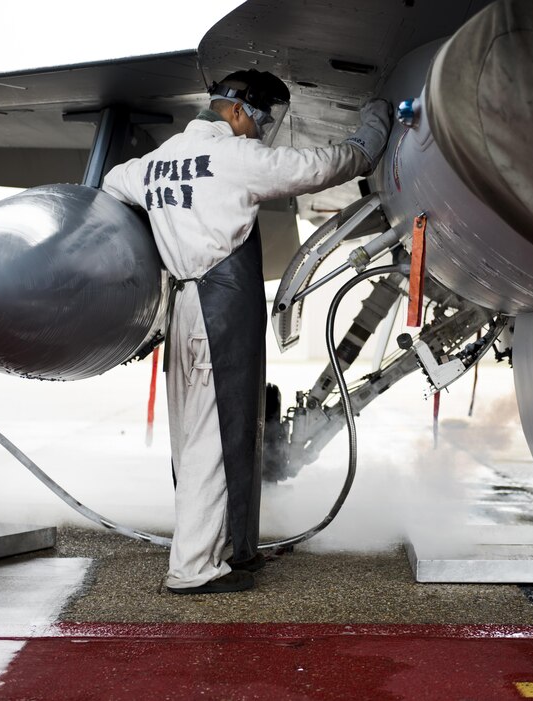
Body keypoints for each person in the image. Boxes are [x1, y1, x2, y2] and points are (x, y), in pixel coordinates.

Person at [101, 69, 392, 594]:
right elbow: (322, 165)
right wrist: (372, 133)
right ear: (235, 111)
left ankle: (226, 548)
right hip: (221, 307)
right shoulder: (235, 158)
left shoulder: (154, 164)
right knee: (213, 440)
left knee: (198, 436)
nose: (262, 129)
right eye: (260, 118)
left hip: (183, 307)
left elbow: (109, 183)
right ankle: (193, 569)